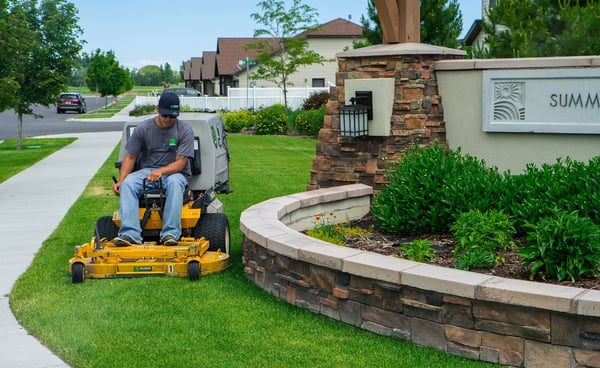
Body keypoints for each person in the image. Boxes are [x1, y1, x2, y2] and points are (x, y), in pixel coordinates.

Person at [111, 92, 195, 246]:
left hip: (176, 173)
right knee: (128, 184)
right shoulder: (143, 128)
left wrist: (160, 172)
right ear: (157, 109)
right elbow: (130, 157)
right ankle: (130, 234)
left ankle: (170, 233)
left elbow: (180, 163)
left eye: (172, 116)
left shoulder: (185, 130)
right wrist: (121, 181)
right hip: (148, 171)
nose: (169, 119)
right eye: (165, 115)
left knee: (175, 184)